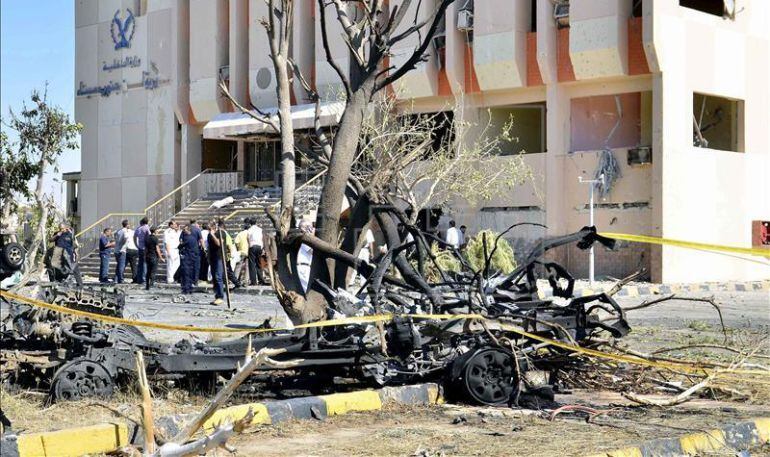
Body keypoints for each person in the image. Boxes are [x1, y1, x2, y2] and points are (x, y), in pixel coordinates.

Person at [207, 220, 225, 305]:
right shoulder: (209, 235)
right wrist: (209, 258)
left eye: (210, 226)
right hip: (213, 258)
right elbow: (209, 247)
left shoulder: (220, 233)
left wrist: (213, 234)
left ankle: (220, 296)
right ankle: (217, 296)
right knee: (214, 278)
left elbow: (219, 243)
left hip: (219, 258)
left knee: (218, 277)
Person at [178, 224, 199, 294]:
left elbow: (180, 246)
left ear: (188, 230)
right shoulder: (194, 238)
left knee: (186, 274)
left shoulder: (187, 238)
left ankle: (186, 289)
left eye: (185, 230)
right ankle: (190, 288)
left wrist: (180, 247)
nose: (183, 231)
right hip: (193, 258)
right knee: (190, 274)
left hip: (187, 258)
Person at [144, 226, 164, 290]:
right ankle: (151, 284)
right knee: (153, 271)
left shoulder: (147, 238)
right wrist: (161, 257)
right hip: (154, 256)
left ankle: (147, 285)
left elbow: (146, 248)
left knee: (148, 271)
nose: (157, 231)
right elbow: (157, 249)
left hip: (147, 256)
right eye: (157, 230)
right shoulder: (155, 238)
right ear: (155, 231)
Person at [247, 218, 266, 285]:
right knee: (259, 263)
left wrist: (249, 247)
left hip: (252, 246)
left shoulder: (249, 230)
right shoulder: (260, 229)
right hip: (259, 246)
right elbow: (262, 239)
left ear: (250, 223)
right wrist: (263, 248)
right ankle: (261, 279)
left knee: (252, 264)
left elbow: (248, 239)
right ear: (256, 222)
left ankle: (253, 281)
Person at [296, 220, 314, 292]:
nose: (311, 230)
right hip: (303, 267)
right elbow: (312, 251)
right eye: (310, 227)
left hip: (305, 267)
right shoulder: (305, 239)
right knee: (306, 289)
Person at [133, 217, 151, 283]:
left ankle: (139, 279)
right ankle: (144, 279)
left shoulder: (138, 228)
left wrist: (136, 245)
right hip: (145, 248)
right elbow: (149, 236)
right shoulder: (147, 227)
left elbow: (134, 237)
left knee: (140, 264)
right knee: (145, 264)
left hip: (140, 248)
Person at [189, 220, 203, 286]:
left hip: (187, 250)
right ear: (195, 223)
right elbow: (201, 240)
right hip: (195, 250)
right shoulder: (197, 230)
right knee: (196, 266)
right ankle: (195, 281)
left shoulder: (186, 229)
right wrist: (203, 248)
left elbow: (181, 240)